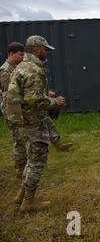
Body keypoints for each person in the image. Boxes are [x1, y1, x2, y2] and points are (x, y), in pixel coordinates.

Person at [7, 35, 66, 212]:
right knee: (37, 162)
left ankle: (21, 196)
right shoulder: (33, 70)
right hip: (33, 122)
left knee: (30, 160)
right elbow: (35, 100)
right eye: (45, 49)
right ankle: (29, 202)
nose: (46, 52)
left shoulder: (21, 67)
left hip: (22, 121)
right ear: (37, 48)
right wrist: (56, 102)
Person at [0, 42, 27, 178]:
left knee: (24, 137)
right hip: (11, 109)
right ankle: (20, 167)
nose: (23, 57)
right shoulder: (5, 70)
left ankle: (24, 165)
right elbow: (9, 92)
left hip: (18, 107)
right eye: (20, 54)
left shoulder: (16, 68)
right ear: (11, 53)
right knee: (19, 138)